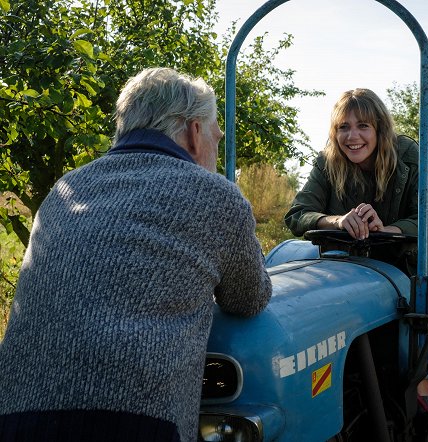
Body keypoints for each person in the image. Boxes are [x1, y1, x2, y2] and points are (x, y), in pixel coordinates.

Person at [0, 67, 272, 442]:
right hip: (136, 425)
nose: (216, 146)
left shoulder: (63, 190)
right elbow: (250, 298)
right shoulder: (218, 196)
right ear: (194, 132)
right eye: (216, 136)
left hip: (13, 418)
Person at [284, 88, 428, 416]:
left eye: (363, 126)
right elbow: (298, 214)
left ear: (380, 128)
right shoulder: (327, 163)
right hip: (361, 267)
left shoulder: (407, 154)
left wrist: (387, 230)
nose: (352, 136)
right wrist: (339, 220)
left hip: (419, 260)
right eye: (343, 127)